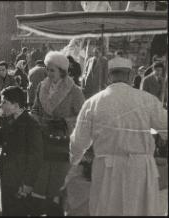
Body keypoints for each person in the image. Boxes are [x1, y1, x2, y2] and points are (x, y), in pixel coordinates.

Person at [69, 59, 167, 215]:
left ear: (109, 76)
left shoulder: (93, 103)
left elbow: (78, 143)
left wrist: (74, 163)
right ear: (130, 75)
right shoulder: (147, 100)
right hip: (139, 171)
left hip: (107, 172)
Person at [31, 51, 85, 215]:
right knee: (40, 182)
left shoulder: (74, 90)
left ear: (62, 71)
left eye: (52, 70)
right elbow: (35, 109)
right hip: (43, 141)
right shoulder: (41, 86)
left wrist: (65, 123)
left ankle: (57, 211)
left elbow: (83, 117)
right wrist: (38, 121)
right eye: (47, 69)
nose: (48, 73)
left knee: (57, 183)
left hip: (62, 144)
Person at [0, 86, 44, 216]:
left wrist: (28, 183)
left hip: (20, 179)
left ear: (16, 105)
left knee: (18, 212)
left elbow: (36, 157)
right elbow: (6, 141)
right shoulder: (9, 119)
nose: (0, 105)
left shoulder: (31, 125)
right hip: (7, 175)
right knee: (8, 211)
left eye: (4, 102)